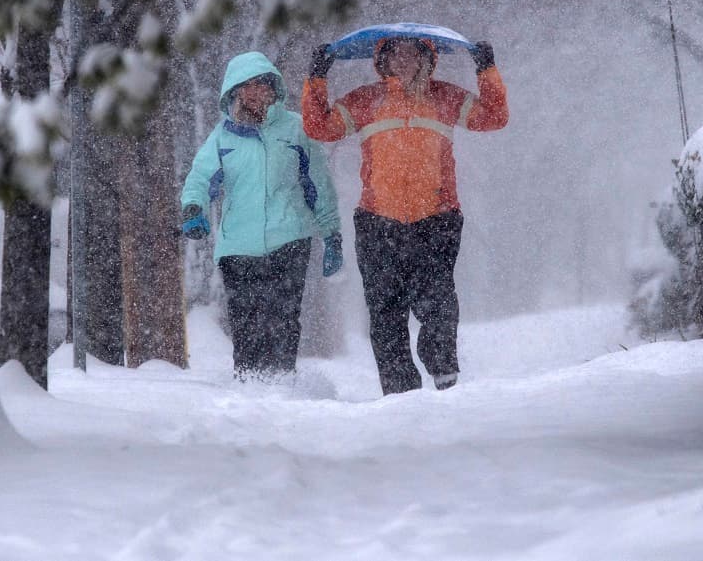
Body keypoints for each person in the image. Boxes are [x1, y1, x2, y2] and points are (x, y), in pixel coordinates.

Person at [301, 35, 508, 395]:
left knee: (439, 300)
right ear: (382, 61)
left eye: (413, 53)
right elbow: (320, 127)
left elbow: (493, 117)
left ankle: (443, 369)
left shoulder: (444, 97)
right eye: (394, 53)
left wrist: (486, 69)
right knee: (385, 313)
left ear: (426, 59)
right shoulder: (366, 100)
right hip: (377, 221)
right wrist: (317, 78)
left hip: (437, 218)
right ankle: (400, 392)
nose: (403, 60)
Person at [181, 51, 342, 380]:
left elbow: (318, 186)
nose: (255, 93)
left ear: (274, 89)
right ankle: (249, 383)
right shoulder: (223, 136)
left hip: (290, 238)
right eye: (247, 86)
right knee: (246, 319)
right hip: (239, 244)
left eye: (261, 85)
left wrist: (332, 235)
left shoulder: (296, 129)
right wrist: (194, 209)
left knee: (284, 316)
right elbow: (199, 178)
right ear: (235, 92)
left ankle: (282, 381)